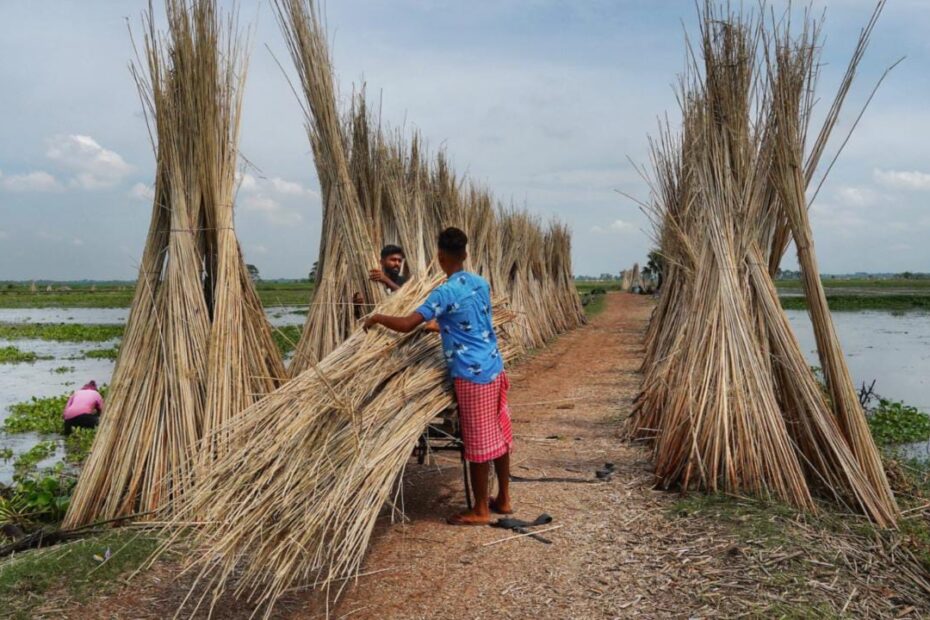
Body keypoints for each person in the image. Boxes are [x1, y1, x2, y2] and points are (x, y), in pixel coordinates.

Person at [364, 227, 513, 526]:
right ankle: (504, 499)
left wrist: (378, 317)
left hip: (472, 374)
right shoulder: (479, 283)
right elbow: (469, 319)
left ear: (440, 256)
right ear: (466, 254)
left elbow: (407, 324)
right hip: (495, 366)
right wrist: (443, 327)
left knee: (479, 443)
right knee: (499, 432)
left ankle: (481, 509)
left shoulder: (444, 292)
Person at [353, 244, 408, 317]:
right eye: (393, 260)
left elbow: (407, 297)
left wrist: (386, 280)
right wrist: (356, 306)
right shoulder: (372, 281)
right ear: (382, 262)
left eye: (399, 261)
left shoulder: (403, 281)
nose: (397, 263)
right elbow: (358, 315)